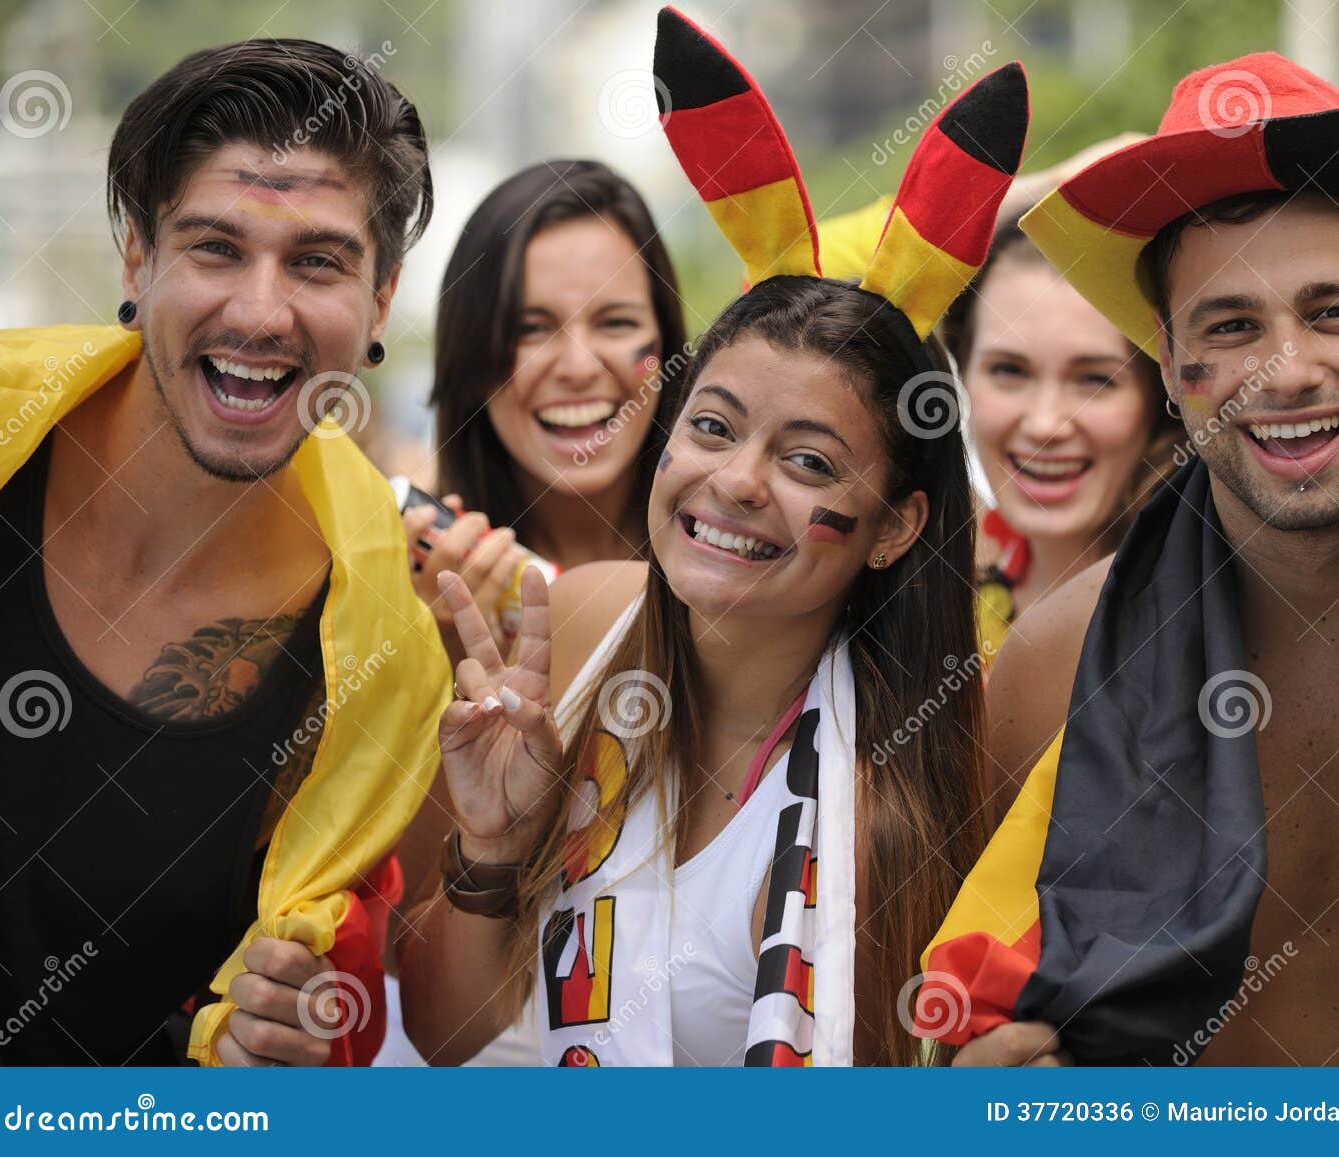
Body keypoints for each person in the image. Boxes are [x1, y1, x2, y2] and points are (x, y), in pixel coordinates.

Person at [922, 53, 1339, 1066]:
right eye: (1229, 326)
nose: (1283, 372)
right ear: (1168, 359)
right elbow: (949, 1012)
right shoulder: (1055, 664)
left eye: (1334, 313)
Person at [395, 5, 1027, 1066]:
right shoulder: (583, 620)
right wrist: (491, 852)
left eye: (809, 461)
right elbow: (440, 1032)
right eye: (715, 427)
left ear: (893, 527)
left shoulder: (887, 812)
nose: (735, 482)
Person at [0, 39, 448, 1066]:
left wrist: (250, 1054)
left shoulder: (377, 661)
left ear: (380, 301)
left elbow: (261, 1016)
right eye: (215, 248)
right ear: (138, 259)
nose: (259, 311)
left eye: (317, 261)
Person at [402, 160, 689, 660]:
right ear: (469, 359)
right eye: (530, 329)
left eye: (616, 322)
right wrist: (436, 665)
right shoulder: (393, 585)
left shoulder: (747, 571)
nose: (578, 367)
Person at [942, 222, 1180, 665]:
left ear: (1162, 392)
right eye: (1009, 371)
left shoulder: (1209, 609)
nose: (1045, 424)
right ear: (961, 376)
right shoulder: (936, 608)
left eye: (1095, 379)